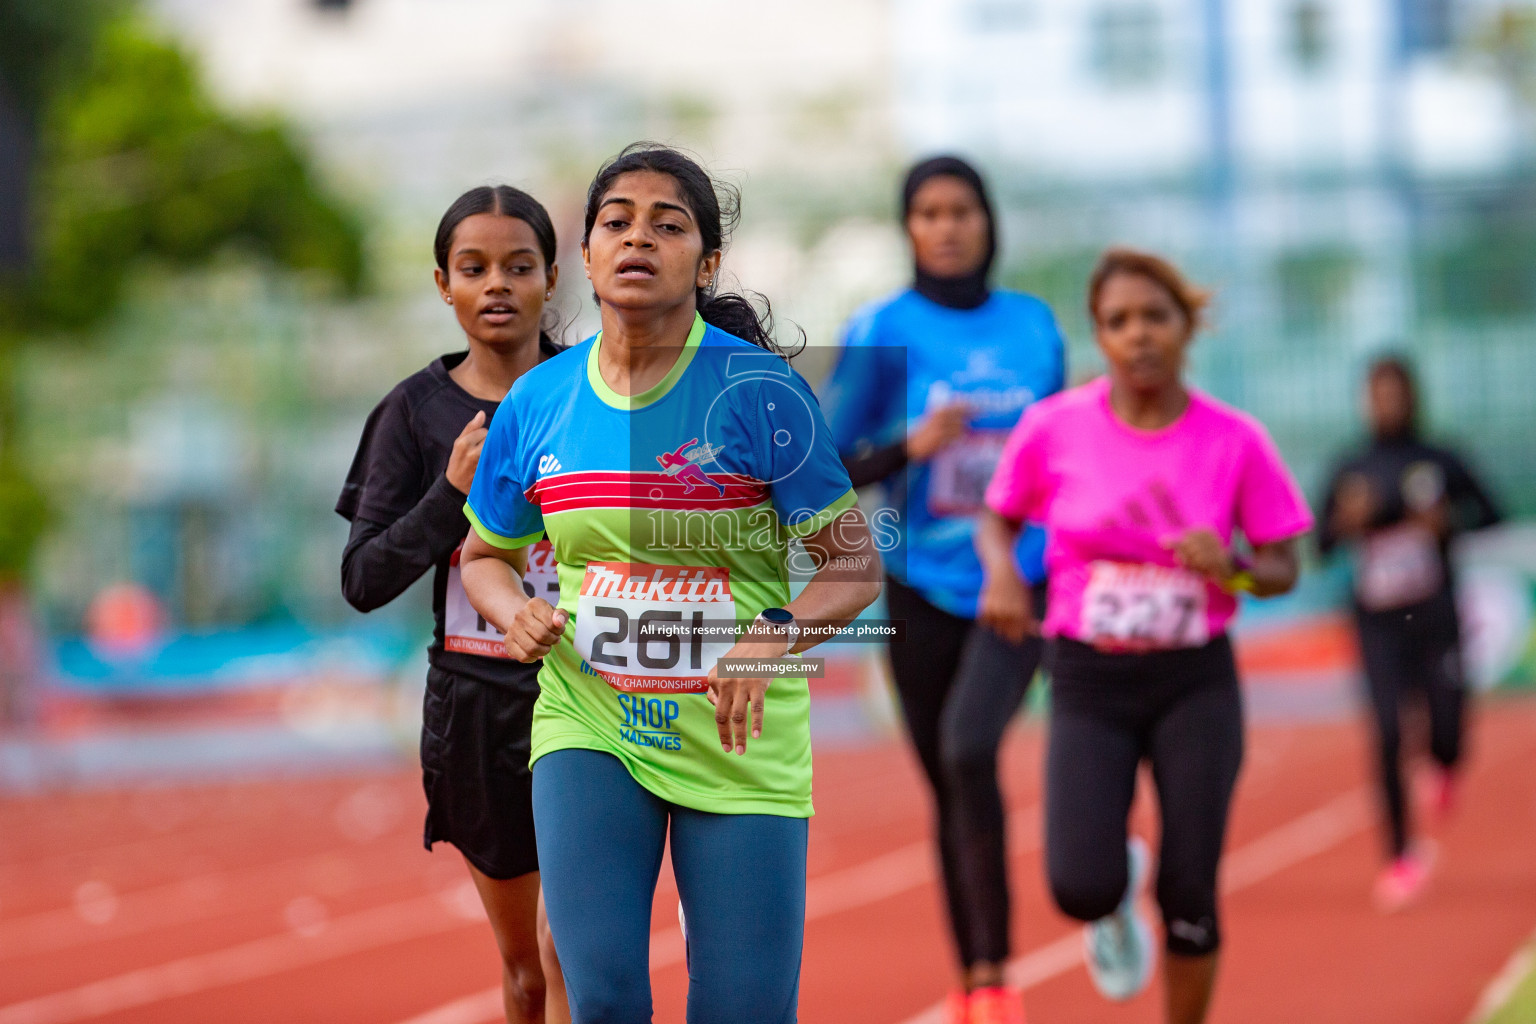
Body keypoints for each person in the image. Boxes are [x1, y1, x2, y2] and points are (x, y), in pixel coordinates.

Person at [458, 143, 882, 1024]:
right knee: (604, 1000)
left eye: (668, 224)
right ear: (586, 255)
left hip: (736, 737)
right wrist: (514, 611)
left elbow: (854, 566)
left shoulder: (760, 393)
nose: (638, 238)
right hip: (589, 717)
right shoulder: (540, 401)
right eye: (616, 222)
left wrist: (771, 635)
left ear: (708, 261)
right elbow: (484, 555)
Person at [976, 249, 1312, 1024]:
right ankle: (1115, 891)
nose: (1139, 336)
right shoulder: (1054, 427)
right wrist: (1000, 572)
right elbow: (999, 515)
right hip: (1090, 677)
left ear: (1186, 327)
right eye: (1119, 322)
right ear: (1100, 335)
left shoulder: (1235, 440)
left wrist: (1232, 566)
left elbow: (1285, 563)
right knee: (1079, 885)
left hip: (1195, 680)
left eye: (1155, 317)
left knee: (1190, 889)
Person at [822, 155, 1065, 1024]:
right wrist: (908, 449)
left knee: (969, 751)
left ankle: (996, 978)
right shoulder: (882, 328)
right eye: (928, 212)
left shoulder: (1036, 328)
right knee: (950, 782)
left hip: (1016, 584)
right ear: (909, 228)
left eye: (962, 210)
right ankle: (976, 976)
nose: (947, 226)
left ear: (987, 221)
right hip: (919, 586)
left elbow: (1066, 459)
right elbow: (822, 467)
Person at [336, 185, 569, 1024]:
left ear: (553, 278)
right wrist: (449, 496)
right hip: (477, 703)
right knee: (525, 971)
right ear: (445, 284)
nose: (497, 285)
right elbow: (362, 580)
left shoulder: (604, 391)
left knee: (571, 945)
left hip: (595, 690)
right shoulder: (413, 413)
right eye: (475, 269)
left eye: (519, 266)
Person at [1318, 355, 1502, 911]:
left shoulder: (1440, 457)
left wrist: (1447, 524)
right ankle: (1400, 855)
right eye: (1376, 394)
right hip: (1379, 623)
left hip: (1435, 614)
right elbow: (1321, 540)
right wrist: (1346, 524)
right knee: (1388, 733)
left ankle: (1445, 764)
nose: (1386, 404)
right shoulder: (1351, 466)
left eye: (1395, 393)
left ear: (1412, 396)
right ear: (1365, 400)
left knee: (1447, 725)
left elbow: (1493, 513)